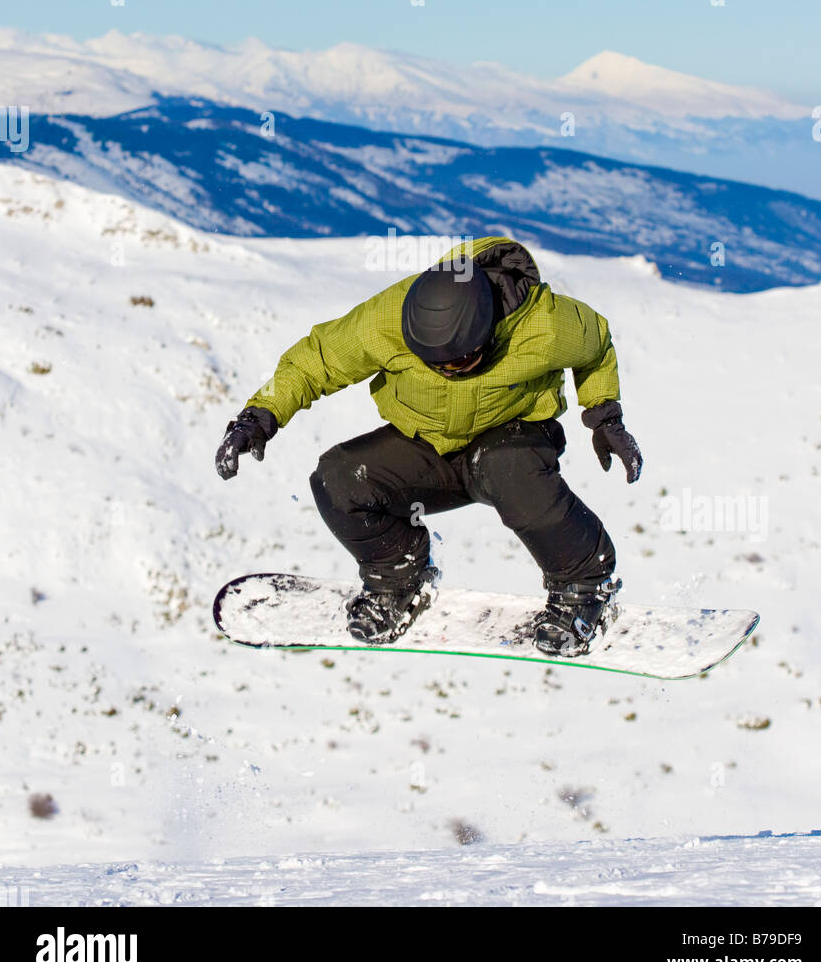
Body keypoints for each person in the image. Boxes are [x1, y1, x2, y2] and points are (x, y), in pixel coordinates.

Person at [215, 236, 642, 656]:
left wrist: (605, 417)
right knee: (338, 479)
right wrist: (259, 416)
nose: (447, 371)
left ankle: (584, 586)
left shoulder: (544, 325)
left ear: (485, 333)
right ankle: (398, 577)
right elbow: (316, 360)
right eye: (433, 363)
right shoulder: (388, 319)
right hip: (431, 448)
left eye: (458, 362)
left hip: (513, 438)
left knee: (505, 469)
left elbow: (596, 344)